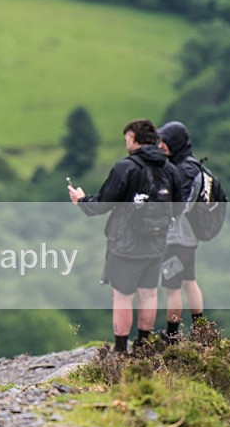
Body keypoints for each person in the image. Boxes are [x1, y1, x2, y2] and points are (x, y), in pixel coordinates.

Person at [68, 119, 182, 353]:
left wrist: (81, 200)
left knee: (122, 297)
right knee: (149, 294)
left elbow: (102, 204)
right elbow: (178, 208)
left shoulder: (126, 167)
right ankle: (143, 345)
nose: (126, 143)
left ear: (133, 138)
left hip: (126, 246)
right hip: (157, 244)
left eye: (126, 139)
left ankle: (121, 351)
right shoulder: (170, 169)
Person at [157, 121, 205, 341]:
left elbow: (179, 204)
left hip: (177, 236)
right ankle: (201, 331)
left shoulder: (184, 169)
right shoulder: (191, 165)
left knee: (172, 286)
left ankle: (172, 336)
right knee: (189, 280)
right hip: (189, 236)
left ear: (175, 143)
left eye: (164, 141)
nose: (160, 145)